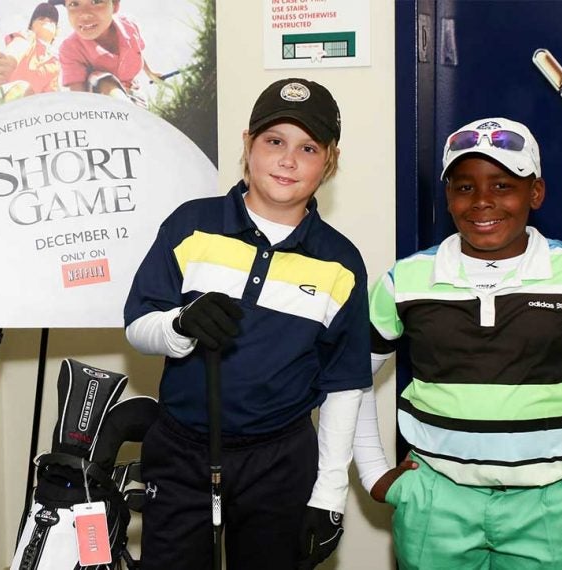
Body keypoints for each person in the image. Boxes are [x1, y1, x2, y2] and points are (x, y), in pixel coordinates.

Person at [363, 117, 562, 568]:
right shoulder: (406, 280)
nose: (483, 201)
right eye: (464, 187)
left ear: (535, 192)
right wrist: (374, 472)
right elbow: (351, 377)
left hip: (551, 507)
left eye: (503, 184)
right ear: (449, 196)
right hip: (435, 500)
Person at [123, 78, 371, 569]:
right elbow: (138, 326)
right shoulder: (191, 224)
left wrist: (331, 493)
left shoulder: (341, 262)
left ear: (330, 161)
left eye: (307, 148)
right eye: (274, 141)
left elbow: (344, 384)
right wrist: (180, 326)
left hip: (279, 460)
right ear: (248, 145)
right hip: (181, 450)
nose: (288, 160)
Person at [58, 0, 164, 102]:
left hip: (135, 95)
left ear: (115, 5)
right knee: (98, 77)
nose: (84, 14)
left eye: (96, 1)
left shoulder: (129, 26)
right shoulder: (70, 49)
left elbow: (136, 51)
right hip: (101, 107)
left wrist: (150, 73)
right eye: (74, 3)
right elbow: (80, 98)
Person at [0, 2, 62, 101]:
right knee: (22, 88)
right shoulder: (28, 37)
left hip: (31, 109)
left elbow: (52, 96)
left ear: (56, 32)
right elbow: (18, 46)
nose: (46, 19)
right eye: (40, 17)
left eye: (52, 20)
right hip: (3, 95)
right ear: (31, 26)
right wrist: (9, 61)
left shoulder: (55, 64)